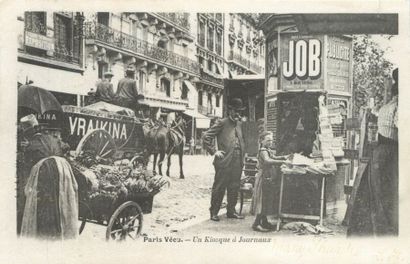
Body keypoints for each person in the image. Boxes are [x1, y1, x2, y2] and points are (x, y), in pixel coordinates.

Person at [347, 68, 398, 237]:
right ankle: (381, 231)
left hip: (385, 152)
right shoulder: (393, 105)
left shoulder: (391, 106)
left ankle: (381, 230)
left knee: (382, 193)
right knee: (382, 193)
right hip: (385, 152)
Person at [20, 116, 78, 240]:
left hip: (45, 174)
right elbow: (65, 147)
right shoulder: (52, 138)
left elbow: (27, 169)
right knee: (59, 200)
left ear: (28, 133)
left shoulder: (30, 146)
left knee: (45, 204)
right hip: (62, 171)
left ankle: (46, 232)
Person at [202, 98, 246, 221]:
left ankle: (231, 211)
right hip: (224, 160)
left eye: (239, 111)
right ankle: (214, 212)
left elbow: (242, 140)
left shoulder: (239, 124)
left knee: (234, 186)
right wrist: (214, 151)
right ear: (230, 110)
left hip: (237, 160)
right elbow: (206, 137)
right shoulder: (222, 123)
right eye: (236, 111)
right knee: (220, 187)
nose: (238, 114)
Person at [250, 131, 287, 232]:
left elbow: (273, 157)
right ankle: (256, 224)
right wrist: (283, 162)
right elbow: (268, 160)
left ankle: (264, 221)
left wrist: (284, 157)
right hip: (263, 177)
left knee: (266, 201)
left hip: (268, 177)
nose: (270, 142)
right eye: (268, 140)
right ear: (262, 141)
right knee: (262, 201)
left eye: (271, 140)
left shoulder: (267, 149)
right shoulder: (263, 151)